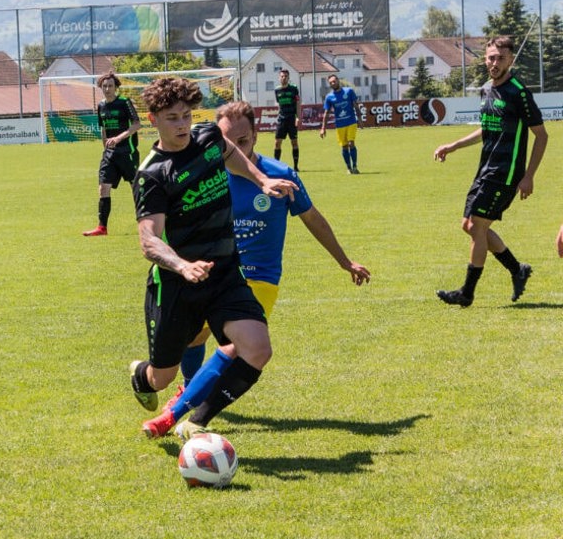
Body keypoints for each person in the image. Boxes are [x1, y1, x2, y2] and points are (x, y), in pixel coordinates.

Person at [141, 100, 371, 438]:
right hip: (209, 272)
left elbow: (313, 219)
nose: (237, 148)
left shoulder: (280, 175)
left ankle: (182, 415)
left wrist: (344, 261)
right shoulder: (206, 172)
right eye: (227, 140)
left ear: (255, 136)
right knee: (191, 338)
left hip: (259, 279)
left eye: (244, 140)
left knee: (236, 346)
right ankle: (185, 388)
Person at [128, 77, 298, 441]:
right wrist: (182, 266)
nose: (182, 125)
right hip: (177, 285)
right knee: (163, 376)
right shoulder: (152, 175)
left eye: (187, 115)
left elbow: (229, 153)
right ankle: (139, 375)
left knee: (257, 348)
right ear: (153, 118)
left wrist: (261, 180)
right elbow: (149, 241)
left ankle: (196, 420)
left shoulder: (207, 137)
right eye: (172, 117)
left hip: (223, 274)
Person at [433, 36, 547, 308]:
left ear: (511, 60)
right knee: (469, 226)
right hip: (485, 169)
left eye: (500, 58)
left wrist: (528, 175)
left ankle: (467, 293)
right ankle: (517, 269)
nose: (494, 63)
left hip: (506, 172)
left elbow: (541, 136)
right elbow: (487, 128)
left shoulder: (519, 92)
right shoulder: (486, 90)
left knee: (477, 226)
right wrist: (454, 145)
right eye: (491, 58)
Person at [83, 71, 142, 237]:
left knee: (136, 188)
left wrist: (118, 138)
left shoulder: (124, 102)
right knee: (103, 188)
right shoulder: (101, 105)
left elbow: (137, 125)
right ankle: (102, 227)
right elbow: (103, 129)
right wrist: (105, 147)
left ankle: (145, 222)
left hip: (127, 152)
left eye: (110, 86)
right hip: (109, 154)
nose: (107, 88)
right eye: (104, 86)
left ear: (116, 87)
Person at [319, 74, 362, 174]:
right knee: (344, 146)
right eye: (331, 83)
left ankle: (355, 166)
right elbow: (326, 113)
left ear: (338, 80)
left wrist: (359, 119)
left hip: (351, 122)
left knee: (351, 143)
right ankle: (349, 167)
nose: (333, 83)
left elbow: (356, 105)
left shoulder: (349, 91)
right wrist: (323, 128)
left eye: (334, 81)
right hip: (340, 125)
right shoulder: (329, 97)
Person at [273, 69, 302, 171]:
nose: (283, 78)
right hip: (281, 119)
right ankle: (276, 166)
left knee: (294, 142)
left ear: (288, 78)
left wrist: (298, 117)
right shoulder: (277, 90)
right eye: (282, 76)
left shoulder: (294, 89)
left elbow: (298, 104)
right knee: (277, 143)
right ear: (279, 78)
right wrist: (278, 116)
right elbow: (279, 105)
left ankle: (295, 166)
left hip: (291, 119)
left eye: (285, 76)